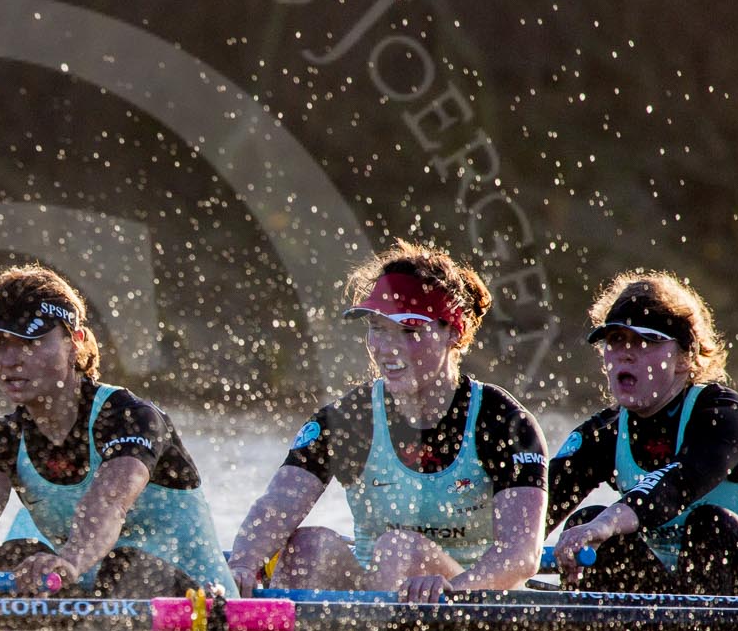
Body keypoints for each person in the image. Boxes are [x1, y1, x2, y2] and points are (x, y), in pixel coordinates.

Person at [0, 265, 237, 619]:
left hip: (205, 614)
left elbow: (109, 501)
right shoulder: (2, 436)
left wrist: (69, 561)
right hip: (97, 610)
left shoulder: (130, 417)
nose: (12, 360)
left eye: (32, 342)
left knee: (122, 566)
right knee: (18, 558)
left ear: (74, 342)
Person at [228, 242, 547, 602]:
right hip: (378, 594)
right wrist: (243, 563)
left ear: (453, 333)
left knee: (399, 547)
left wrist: (451, 591)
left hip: (471, 599)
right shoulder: (351, 417)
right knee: (307, 545)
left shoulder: (503, 422)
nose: (387, 348)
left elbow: (521, 557)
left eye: (409, 332)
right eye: (378, 328)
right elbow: (277, 505)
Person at [548, 271, 738, 596]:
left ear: (685, 357)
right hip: (684, 601)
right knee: (585, 523)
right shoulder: (605, 432)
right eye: (616, 340)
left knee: (708, 524)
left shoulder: (725, 416)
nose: (626, 353)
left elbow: (675, 487)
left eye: (645, 341)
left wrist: (605, 524)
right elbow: (534, 508)